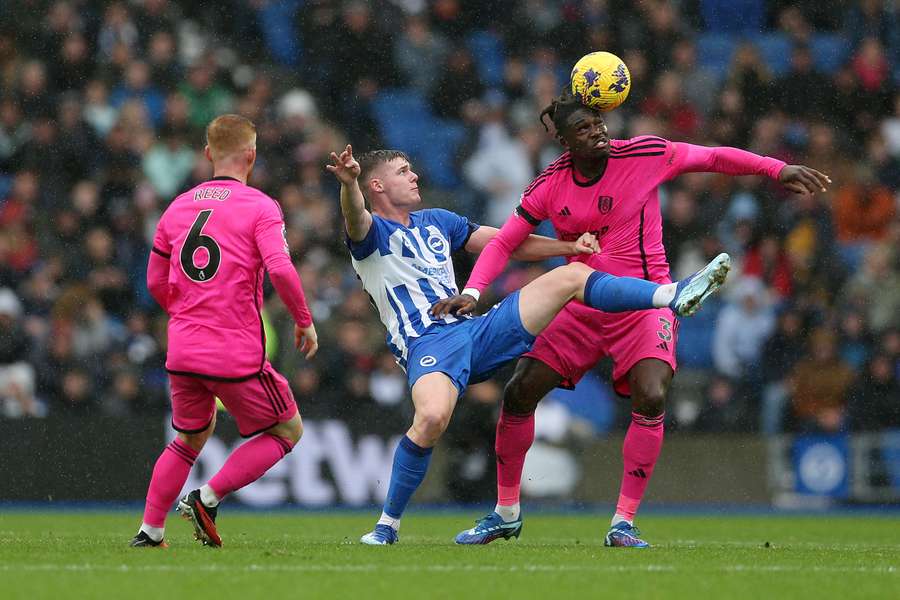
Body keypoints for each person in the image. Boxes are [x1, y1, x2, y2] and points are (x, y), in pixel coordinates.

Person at [450, 89, 830, 548]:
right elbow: (504, 243)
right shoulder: (548, 185)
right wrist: (472, 291)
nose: (598, 133)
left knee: (651, 396)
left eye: (599, 123)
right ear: (565, 142)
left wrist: (775, 168)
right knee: (519, 392)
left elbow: (711, 157)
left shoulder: (645, 153)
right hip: (580, 305)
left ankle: (622, 522)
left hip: (643, 304)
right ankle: (506, 512)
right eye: (584, 129)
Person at [326, 144, 731, 545]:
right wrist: (349, 184)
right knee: (432, 419)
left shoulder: (438, 221)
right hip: (428, 344)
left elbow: (508, 242)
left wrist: (568, 247)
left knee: (571, 277)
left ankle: (671, 295)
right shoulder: (371, 232)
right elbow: (355, 217)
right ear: (376, 184)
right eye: (402, 171)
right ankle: (387, 525)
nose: (414, 175)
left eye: (412, 167)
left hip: (476, 329)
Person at [130, 114, 318, 548]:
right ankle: (207, 497)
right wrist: (304, 320)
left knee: (190, 436)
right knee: (287, 431)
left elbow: (155, 282)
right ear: (251, 155)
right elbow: (281, 269)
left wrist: (187, 315)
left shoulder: (177, 207)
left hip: (182, 350)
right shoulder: (260, 207)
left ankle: (150, 530)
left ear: (208, 153)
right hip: (233, 349)